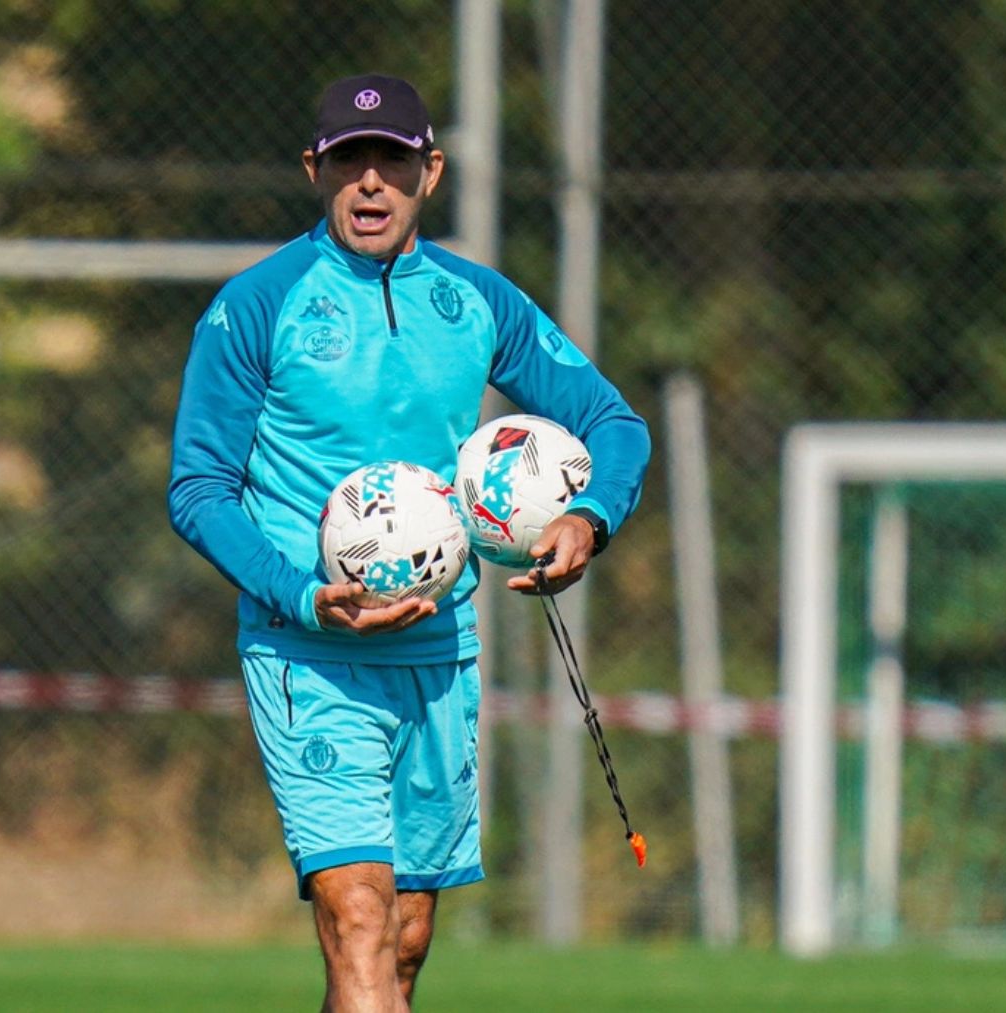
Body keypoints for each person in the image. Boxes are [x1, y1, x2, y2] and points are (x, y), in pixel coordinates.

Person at [168, 74, 651, 1011]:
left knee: (404, 942)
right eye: (350, 162)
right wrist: (306, 593)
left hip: (442, 655)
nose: (371, 183)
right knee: (358, 915)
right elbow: (199, 490)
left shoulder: (477, 302)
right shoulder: (254, 305)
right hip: (309, 652)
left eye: (392, 160)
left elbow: (613, 423)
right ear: (317, 171)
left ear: (430, 172)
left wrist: (587, 520)